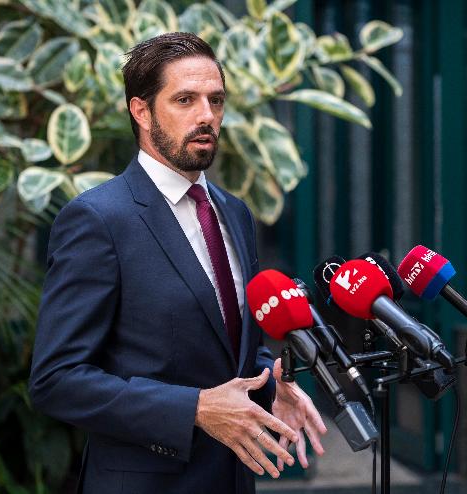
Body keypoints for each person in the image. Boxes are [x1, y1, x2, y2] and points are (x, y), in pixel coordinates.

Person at [28, 32, 327, 494]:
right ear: (141, 111)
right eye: (185, 100)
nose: (206, 115)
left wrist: (270, 382)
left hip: (231, 480)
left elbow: (229, 346)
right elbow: (56, 380)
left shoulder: (235, 213)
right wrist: (195, 408)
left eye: (216, 100)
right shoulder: (98, 219)